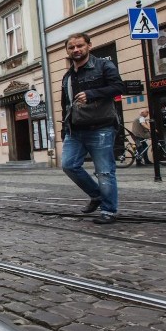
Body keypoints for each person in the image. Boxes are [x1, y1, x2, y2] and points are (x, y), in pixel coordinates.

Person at [60, 33, 125, 225]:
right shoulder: (68, 75)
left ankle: (109, 210)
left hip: (101, 126)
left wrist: (92, 94)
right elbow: (67, 104)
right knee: (69, 165)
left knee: (104, 171)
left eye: (79, 46)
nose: (76, 50)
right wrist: (65, 126)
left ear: (89, 45)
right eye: (71, 47)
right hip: (76, 129)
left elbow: (118, 87)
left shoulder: (104, 66)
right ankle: (97, 195)